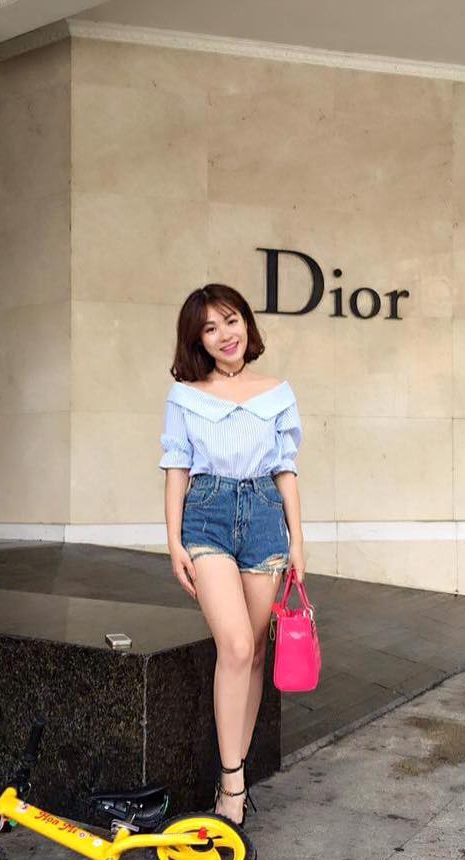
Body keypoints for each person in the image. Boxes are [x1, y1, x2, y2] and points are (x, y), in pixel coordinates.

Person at [158, 283, 305, 826]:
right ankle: (234, 785)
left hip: (265, 518)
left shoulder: (277, 393)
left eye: (232, 320)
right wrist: (173, 541)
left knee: (257, 652)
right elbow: (177, 468)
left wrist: (298, 539)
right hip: (208, 517)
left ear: (247, 323)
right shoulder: (186, 396)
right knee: (237, 645)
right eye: (210, 327)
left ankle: (232, 775)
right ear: (197, 339)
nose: (225, 334)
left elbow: (285, 469)